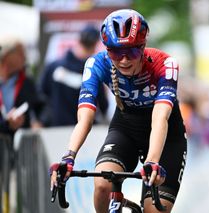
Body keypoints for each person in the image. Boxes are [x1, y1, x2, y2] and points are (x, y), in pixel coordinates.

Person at [50, 9, 187, 213]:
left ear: (143, 47)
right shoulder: (96, 64)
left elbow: (160, 118)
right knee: (103, 185)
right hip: (126, 129)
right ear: (106, 49)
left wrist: (152, 161)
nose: (123, 60)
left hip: (166, 137)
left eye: (131, 51)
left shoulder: (165, 65)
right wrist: (68, 157)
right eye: (115, 52)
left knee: (154, 211)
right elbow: (85, 119)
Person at [38, 25, 108, 127]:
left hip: (54, 130)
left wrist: (44, 119)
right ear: (94, 45)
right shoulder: (92, 73)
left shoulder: (53, 66)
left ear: (79, 41)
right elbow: (103, 106)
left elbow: (40, 95)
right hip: (82, 132)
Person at [0, 35, 42, 139]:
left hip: (20, 151)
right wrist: (6, 124)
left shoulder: (26, 82)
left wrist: (39, 122)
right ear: (6, 55)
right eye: (20, 53)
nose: (24, 57)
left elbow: (42, 106)